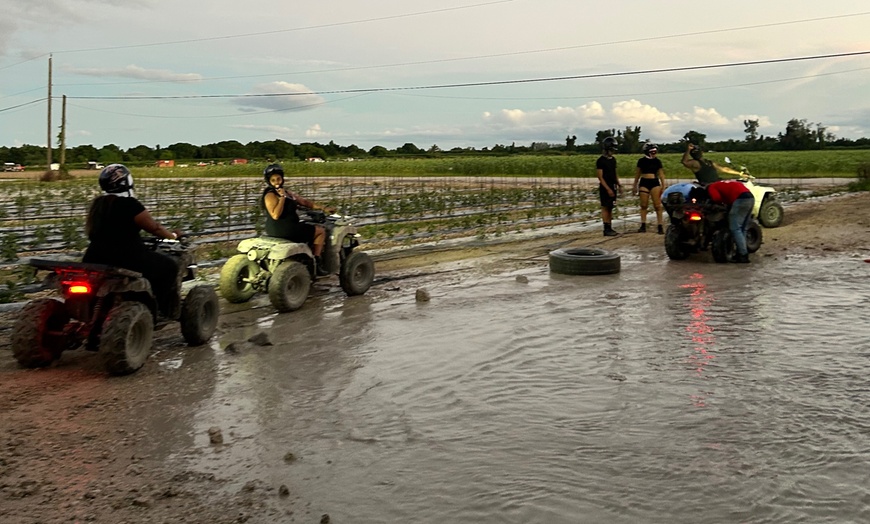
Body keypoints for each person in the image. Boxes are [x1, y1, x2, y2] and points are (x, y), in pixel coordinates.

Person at [83, 164, 183, 317]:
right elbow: (155, 228)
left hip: (94, 256)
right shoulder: (130, 205)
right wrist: (173, 236)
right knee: (169, 267)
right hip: (127, 257)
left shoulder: (99, 204)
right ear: (126, 181)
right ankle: (161, 309)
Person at [261, 163, 330, 274]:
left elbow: (304, 202)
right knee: (320, 231)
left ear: (282, 179)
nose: (277, 182)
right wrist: (282, 198)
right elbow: (275, 215)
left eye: (278, 179)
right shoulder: (270, 195)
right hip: (286, 229)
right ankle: (316, 263)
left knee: (305, 227)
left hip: (283, 227)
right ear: (269, 182)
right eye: (273, 180)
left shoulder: (288, 193)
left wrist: (324, 208)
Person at [705, 179, 755, 263]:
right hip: (750, 198)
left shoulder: (711, 187)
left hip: (740, 200)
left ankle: (743, 255)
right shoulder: (722, 183)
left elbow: (716, 198)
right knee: (743, 228)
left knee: (735, 228)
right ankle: (742, 252)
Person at [633, 142, 666, 234]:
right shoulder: (641, 161)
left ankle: (660, 226)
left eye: (655, 152)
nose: (655, 154)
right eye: (653, 152)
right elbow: (637, 174)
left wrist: (663, 185)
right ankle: (643, 225)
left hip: (654, 182)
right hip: (644, 182)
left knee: (657, 205)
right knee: (643, 205)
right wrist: (635, 185)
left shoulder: (657, 161)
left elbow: (661, 174)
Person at [596, 136, 621, 237]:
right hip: (605, 186)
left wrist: (619, 184)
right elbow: (600, 177)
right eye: (611, 150)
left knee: (611, 207)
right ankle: (606, 228)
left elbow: (614, 173)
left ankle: (610, 226)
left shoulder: (613, 160)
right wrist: (607, 189)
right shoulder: (601, 161)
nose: (613, 152)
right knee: (606, 207)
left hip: (612, 185)